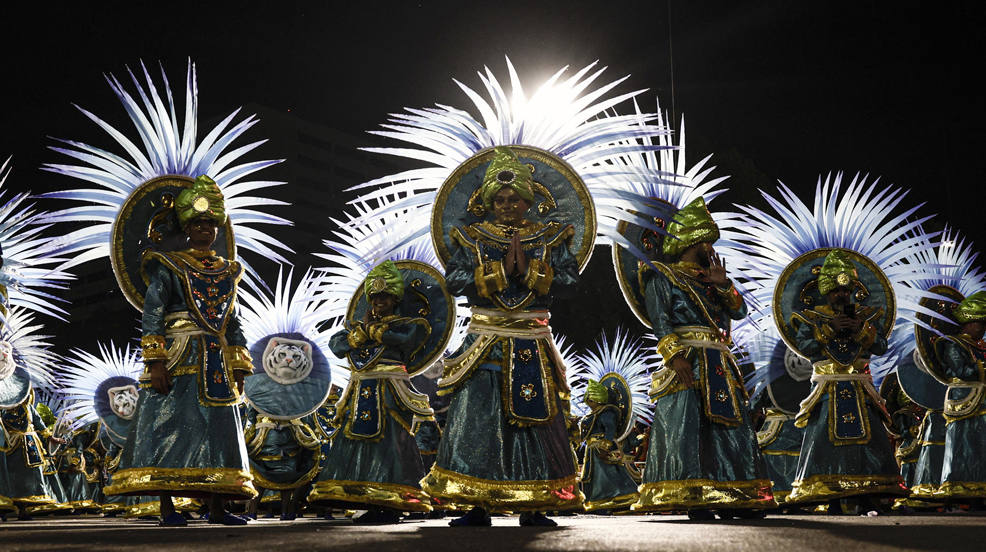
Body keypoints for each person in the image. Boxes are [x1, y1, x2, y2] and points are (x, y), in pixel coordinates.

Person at [421, 146, 583, 527]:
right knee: (479, 421)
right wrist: (497, 272)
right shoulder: (472, 237)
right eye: (500, 199)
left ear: (528, 200)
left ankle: (535, 504)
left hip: (532, 338)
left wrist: (530, 271)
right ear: (490, 201)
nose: (507, 205)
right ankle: (477, 505)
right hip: (485, 340)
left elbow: (571, 282)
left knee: (535, 422)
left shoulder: (550, 237)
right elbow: (454, 280)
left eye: (514, 199)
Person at [103, 176, 257, 526]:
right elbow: (153, 314)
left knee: (218, 431)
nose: (205, 229)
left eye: (211, 224)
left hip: (215, 361)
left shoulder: (228, 270)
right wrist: (155, 361)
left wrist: (238, 364)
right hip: (179, 356)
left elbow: (232, 320)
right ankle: (167, 508)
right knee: (167, 427)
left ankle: (217, 508)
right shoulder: (167, 265)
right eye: (198, 223)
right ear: (187, 228)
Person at [633, 197, 774, 520]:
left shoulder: (713, 280)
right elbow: (661, 321)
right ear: (693, 241)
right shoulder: (662, 275)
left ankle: (735, 493)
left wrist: (724, 286)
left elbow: (739, 312)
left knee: (730, 430)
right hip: (689, 359)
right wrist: (674, 357)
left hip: (719, 362)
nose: (711, 248)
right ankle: (696, 496)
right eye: (707, 241)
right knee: (691, 429)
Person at [308, 260, 434, 524]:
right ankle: (366, 499)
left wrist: (369, 331)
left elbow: (406, 339)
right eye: (375, 297)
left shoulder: (410, 324)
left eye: (384, 296)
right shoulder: (356, 326)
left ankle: (392, 503)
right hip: (360, 392)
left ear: (395, 298)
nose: (379, 301)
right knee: (357, 442)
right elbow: (336, 345)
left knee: (392, 443)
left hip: (391, 392)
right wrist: (360, 333)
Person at [787, 250, 906, 509]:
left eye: (845, 289)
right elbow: (804, 347)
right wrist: (829, 329)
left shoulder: (868, 316)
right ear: (826, 291)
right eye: (835, 290)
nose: (840, 294)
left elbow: (881, 346)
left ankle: (867, 495)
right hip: (826, 389)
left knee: (868, 442)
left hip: (860, 388)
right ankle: (831, 498)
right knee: (826, 443)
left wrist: (861, 330)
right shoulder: (810, 318)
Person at [934, 291, 986, 501]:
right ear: (969, 322)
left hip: (981, 401)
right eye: (980, 324)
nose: (983, 329)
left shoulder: (980, 347)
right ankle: (961, 489)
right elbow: (961, 371)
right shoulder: (952, 344)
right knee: (965, 445)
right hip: (964, 401)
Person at [579, 380, 639, 513]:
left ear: (594, 398)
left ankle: (619, 499)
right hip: (592, 450)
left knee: (608, 475)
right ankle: (598, 501)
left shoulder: (606, 412)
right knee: (595, 477)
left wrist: (605, 446)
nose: (587, 403)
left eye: (589, 400)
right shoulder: (595, 413)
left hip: (601, 448)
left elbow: (610, 429)